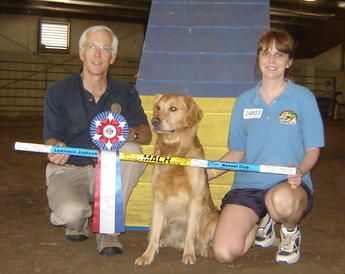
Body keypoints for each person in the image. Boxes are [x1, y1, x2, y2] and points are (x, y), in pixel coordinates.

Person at [207, 29, 324, 264]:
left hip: (287, 187)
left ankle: (289, 231)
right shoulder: (243, 102)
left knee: (280, 201)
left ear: (289, 61)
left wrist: (299, 171)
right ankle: (262, 221)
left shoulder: (303, 98)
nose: (271, 60)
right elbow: (237, 151)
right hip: (247, 187)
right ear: (258, 58)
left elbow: (313, 149)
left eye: (279, 55)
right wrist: (207, 173)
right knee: (224, 252)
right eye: (265, 53)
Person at [43, 25, 152, 256]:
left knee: (132, 150)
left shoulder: (126, 92)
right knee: (69, 214)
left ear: (113, 56)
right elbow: (51, 137)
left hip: (109, 170)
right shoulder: (58, 91)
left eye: (105, 48)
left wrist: (126, 132)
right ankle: (79, 219)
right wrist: (55, 148)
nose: (97, 54)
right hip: (69, 169)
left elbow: (146, 134)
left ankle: (107, 230)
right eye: (91, 47)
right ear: (81, 52)